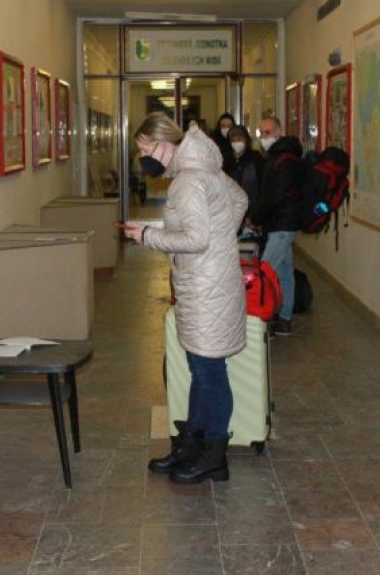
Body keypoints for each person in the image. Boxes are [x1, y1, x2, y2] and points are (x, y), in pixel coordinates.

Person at [120, 112, 248, 484]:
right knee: (201, 369)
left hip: (205, 286)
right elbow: (239, 199)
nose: (144, 158)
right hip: (209, 281)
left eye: (146, 149)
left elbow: (196, 239)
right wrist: (223, 237)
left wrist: (147, 236)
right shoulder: (205, 167)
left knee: (209, 372)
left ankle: (213, 457)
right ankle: (192, 446)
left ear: (164, 143)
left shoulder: (188, 180)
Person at [252, 116, 303, 336]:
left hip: (283, 224)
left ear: (279, 131)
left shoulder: (285, 160)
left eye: (268, 132)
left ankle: (262, 318)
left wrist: (256, 217)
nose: (264, 137)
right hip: (279, 224)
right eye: (261, 133)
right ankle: (284, 318)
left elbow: (273, 196)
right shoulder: (276, 157)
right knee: (284, 271)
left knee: (265, 271)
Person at [227, 125, 264, 218]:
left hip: (252, 207)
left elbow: (262, 183)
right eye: (233, 140)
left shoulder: (255, 157)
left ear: (246, 140)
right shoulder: (226, 159)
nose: (236, 143)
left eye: (239, 139)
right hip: (231, 209)